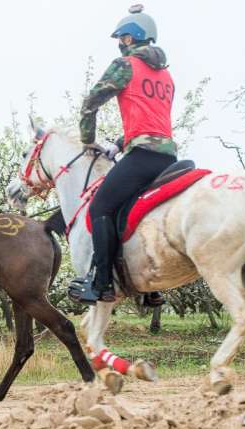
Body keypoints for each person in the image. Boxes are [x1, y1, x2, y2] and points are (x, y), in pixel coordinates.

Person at [72, 4, 176, 303]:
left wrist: (88, 140)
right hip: (167, 157)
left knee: (100, 208)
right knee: (134, 212)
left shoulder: (125, 65)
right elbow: (151, 118)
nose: (119, 44)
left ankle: (102, 283)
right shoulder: (166, 76)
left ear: (130, 39)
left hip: (142, 155)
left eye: (121, 38)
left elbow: (90, 103)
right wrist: (119, 143)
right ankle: (149, 287)